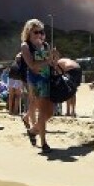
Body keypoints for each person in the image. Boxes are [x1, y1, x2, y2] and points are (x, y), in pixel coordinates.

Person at [20, 19, 58, 152]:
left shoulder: (45, 45)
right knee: (42, 111)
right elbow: (32, 66)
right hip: (36, 82)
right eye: (36, 32)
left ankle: (33, 130)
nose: (39, 35)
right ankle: (44, 143)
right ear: (29, 32)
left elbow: (52, 64)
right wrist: (48, 60)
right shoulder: (26, 46)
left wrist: (54, 58)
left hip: (47, 80)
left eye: (41, 32)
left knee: (50, 112)